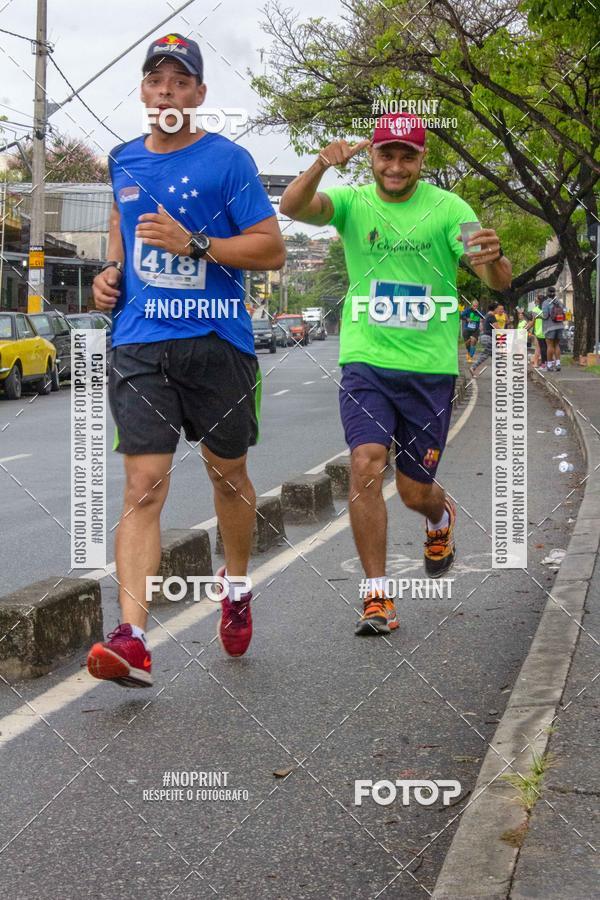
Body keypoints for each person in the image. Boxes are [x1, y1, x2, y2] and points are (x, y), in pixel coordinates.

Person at [86, 34, 285, 687]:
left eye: (181, 81)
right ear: (144, 91)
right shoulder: (121, 160)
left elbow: (270, 249)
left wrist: (195, 242)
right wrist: (109, 274)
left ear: (199, 94)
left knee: (228, 477)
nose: (167, 90)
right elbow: (121, 232)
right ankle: (133, 638)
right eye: (156, 80)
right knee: (143, 485)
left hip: (220, 342)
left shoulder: (229, 162)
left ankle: (235, 585)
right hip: (141, 341)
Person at [279, 113, 511, 636]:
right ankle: (377, 597)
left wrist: (494, 261)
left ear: (422, 160)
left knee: (413, 491)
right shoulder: (352, 203)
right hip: (366, 361)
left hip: (428, 369)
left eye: (408, 156)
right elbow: (291, 206)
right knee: (365, 463)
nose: (397, 166)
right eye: (387, 154)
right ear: (372, 157)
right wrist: (321, 162)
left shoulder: (451, 210)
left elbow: (494, 275)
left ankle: (440, 516)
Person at [471, 301, 501, 375]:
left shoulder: (487, 315)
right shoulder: (492, 316)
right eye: (498, 308)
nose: (498, 310)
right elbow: (498, 329)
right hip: (488, 338)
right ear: (494, 309)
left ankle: (500, 371)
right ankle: (473, 367)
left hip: (484, 337)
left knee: (494, 354)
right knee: (485, 355)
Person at [542, 286, 566, 371]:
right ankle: (558, 363)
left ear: (547, 293)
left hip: (550, 327)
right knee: (557, 345)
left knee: (550, 345)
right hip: (560, 326)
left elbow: (545, 316)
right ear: (554, 293)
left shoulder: (546, 303)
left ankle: (549, 365)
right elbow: (564, 311)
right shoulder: (559, 302)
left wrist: (537, 316)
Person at [460, 298, 482, 364]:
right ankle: (469, 353)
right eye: (474, 306)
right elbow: (460, 316)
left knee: (473, 341)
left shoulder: (479, 312)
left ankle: (470, 356)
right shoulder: (468, 310)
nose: (475, 307)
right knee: (467, 344)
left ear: (478, 306)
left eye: (476, 306)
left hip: (475, 330)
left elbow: (484, 317)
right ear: (471, 305)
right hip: (467, 329)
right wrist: (467, 319)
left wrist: (482, 321)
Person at [530, 293, 547, 369]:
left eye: (536, 300)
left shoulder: (535, 310)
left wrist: (526, 328)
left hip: (539, 332)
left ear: (538, 301)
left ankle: (540, 363)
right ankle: (547, 363)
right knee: (547, 348)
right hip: (547, 331)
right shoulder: (547, 309)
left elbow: (533, 322)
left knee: (540, 348)